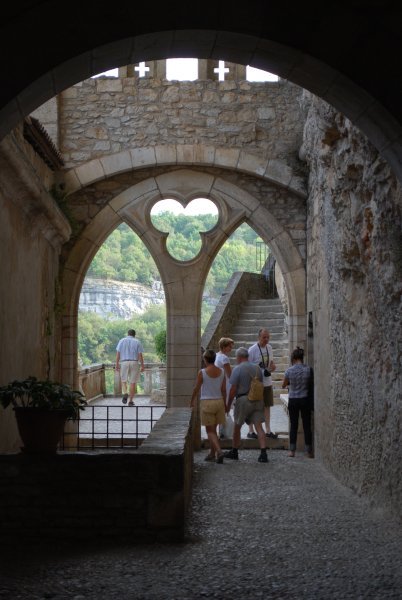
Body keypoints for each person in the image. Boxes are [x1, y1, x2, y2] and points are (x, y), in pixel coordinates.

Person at [224, 347, 268, 463]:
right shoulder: (257, 368)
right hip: (257, 400)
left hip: (243, 400)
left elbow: (233, 390)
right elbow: (261, 384)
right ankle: (263, 453)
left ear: (238, 357)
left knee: (237, 427)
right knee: (259, 427)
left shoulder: (237, 369)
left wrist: (228, 405)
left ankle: (234, 451)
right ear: (247, 356)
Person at [190, 349, 226, 464]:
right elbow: (224, 390)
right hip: (219, 402)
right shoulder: (221, 371)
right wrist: (225, 404)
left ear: (205, 359)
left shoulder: (202, 372)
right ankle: (211, 453)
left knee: (209, 431)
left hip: (207, 403)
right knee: (214, 430)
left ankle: (219, 452)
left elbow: (196, 388)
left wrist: (191, 401)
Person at [281, 346, 314, 458]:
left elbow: (284, 384)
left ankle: (292, 451)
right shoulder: (308, 369)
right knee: (307, 425)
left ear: (294, 358)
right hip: (305, 399)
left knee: (294, 425)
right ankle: (308, 451)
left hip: (293, 399)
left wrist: (291, 383)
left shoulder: (289, 370)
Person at [248, 328, 278, 439]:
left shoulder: (269, 348)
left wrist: (272, 368)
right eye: (264, 337)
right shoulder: (252, 350)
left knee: (267, 406)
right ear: (258, 337)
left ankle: (268, 429)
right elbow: (248, 366)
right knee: (253, 407)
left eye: (268, 337)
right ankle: (251, 431)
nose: (266, 339)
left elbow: (271, 364)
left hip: (267, 382)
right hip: (256, 384)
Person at [115, 329, 145, 406]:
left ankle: (125, 393)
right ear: (134, 335)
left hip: (124, 362)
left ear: (128, 334)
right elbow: (140, 355)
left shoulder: (121, 341)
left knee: (123, 380)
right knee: (132, 382)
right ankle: (130, 401)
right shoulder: (137, 341)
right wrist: (142, 366)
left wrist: (117, 364)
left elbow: (118, 353)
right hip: (134, 362)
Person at [214, 337, 234, 438]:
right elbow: (230, 375)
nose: (231, 348)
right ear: (224, 347)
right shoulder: (225, 358)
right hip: (225, 385)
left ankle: (220, 431)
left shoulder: (217, 355)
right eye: (229, 346)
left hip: (218, 384)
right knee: (225, 408)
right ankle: (222, 431)